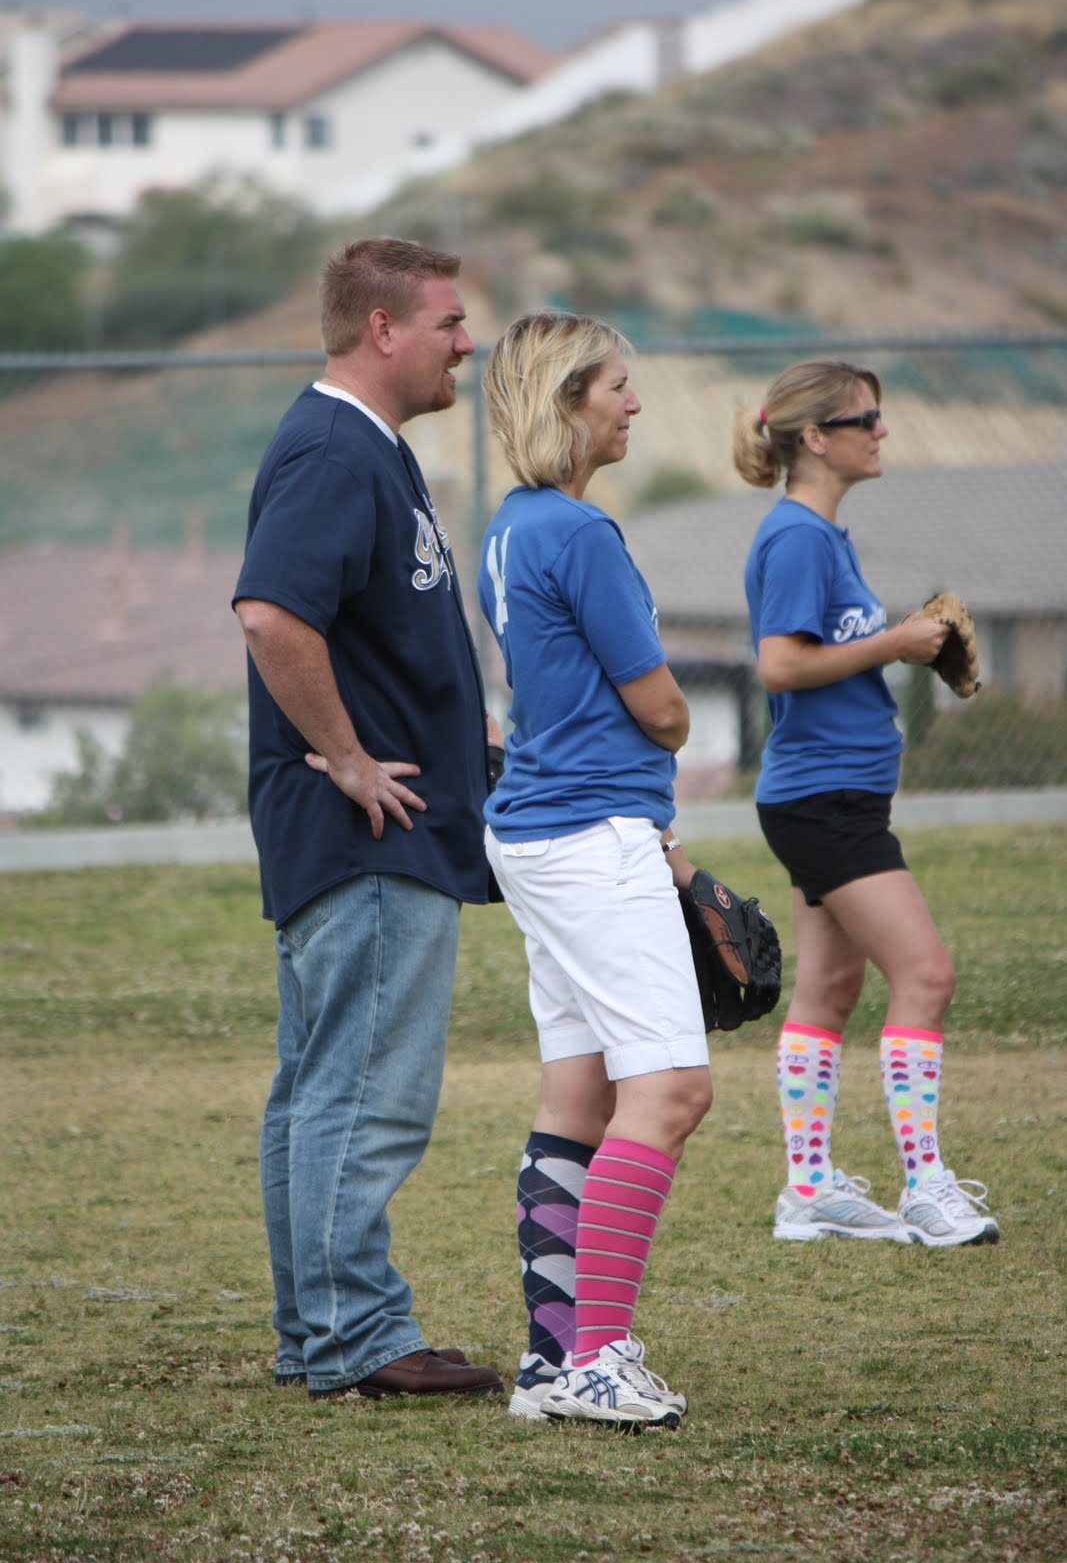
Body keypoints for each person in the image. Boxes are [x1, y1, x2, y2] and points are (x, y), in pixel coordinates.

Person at [232, 237, 504, 1402]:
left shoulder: (365, 451)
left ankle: (318, 1332)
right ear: (381, 330)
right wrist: (349, 759)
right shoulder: (337, 450)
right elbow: (269, 615)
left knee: (317, 1089)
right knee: (363, 1095)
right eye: (447, 321)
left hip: (362, 833)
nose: (465, 342)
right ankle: (354, 1335)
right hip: (368, 838)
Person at [477, 311, 713, 1430]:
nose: (631, 403)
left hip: (538, 829)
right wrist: (660, 747)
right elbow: (659, 703)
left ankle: (550, 1357)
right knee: (668, 1089)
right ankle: (597, 1356)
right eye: (616, 385)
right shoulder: (579, 531)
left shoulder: (509, 525)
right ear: (569, 399)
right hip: (587, 834)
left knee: (579, 1092)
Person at [735, 359, 1000, 1249]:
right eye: (864, 418)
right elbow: (779, 665)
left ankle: (808, 1190)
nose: (880, 430)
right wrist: (894, 641)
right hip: (822, 801)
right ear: (814, 438)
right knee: (925, 976)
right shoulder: (797, 539)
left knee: (831, 987)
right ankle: (925, 1187)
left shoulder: (823, 536)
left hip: (832, 796)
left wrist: (907, 648)